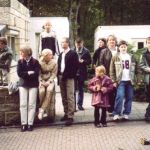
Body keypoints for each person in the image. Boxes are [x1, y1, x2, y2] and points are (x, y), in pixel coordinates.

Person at [110, 40, 137, 121]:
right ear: (119, 48)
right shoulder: (115, 57)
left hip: (130, 80)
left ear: (127, 47)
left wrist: (138, 79)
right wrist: (113, 81)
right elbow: (111, 70)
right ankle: (116, 113)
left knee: (129, 97)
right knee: (120, 96)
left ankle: (126, 114)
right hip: (120, 81)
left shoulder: (132, 56)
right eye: (121, 47)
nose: (123, 48)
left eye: (124, 46)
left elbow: (137, 69)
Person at [17, 45, 40, 132]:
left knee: (32, 104)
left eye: (22, 52)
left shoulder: (35, 62)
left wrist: (26, 74)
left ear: (27, 53)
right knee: (23, 104)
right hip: (23, 85)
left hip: (33, 85)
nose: (21, 53)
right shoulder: (20, 62)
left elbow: (36, 73)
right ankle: (24, 124)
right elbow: (19, 73)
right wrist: (29, 73)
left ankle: (30, 124)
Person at [57, 37, 78, 126]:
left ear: (67, 43)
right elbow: (59, 65)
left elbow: (74, 67)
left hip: (69, 78)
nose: (62, 44)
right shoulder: (61, 54)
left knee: (70, 97)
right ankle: (66, 113)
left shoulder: (73, 54)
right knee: (63, 96)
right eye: (61, 43)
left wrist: (66, 75)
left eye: (63, 42)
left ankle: (70, 116)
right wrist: (58, 75)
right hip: (61, 77)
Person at [99, 35, 118, 113]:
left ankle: (116, 109)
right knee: (109, 93)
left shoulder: (118, 51)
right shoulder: (104, 51)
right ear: (107, 42)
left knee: (117, 94)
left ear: (115, 42)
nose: (111, 41)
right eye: (110, 40)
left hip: (118, 76)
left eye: (113, 40)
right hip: (107, 76)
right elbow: (101, 63)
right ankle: (110, 109)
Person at [38, 49, 57, 120]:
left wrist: (49, 81)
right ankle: (43, 108)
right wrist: (41, 81)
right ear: (45, 56)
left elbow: (54, 74)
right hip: (42, 80)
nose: (52, 56)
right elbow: (38, 74)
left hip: (50, 80)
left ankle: (42, 110)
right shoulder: (39, 62)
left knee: (49, 90)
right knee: (41, 92)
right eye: (50, 55)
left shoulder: (54, 62)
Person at [74, 37, 91, 110]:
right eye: (77, 44)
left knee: (80, 89)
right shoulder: (72, 50)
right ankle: (73, 106)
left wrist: (83, 61)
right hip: (73, 72)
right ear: (75, 43)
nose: (78, 45)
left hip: (81, 72)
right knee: (73, 90)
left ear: (82, 43)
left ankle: (80, 105)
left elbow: (89, 62)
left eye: (79, 44)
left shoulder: (86, 51)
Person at [139, 37, 150, 121]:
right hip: (148, 78)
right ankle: (147, 114)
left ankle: (147, 115)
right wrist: (148, 69)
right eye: (148, 42)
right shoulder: (143, 54)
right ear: (146, 43)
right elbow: (141, 65)